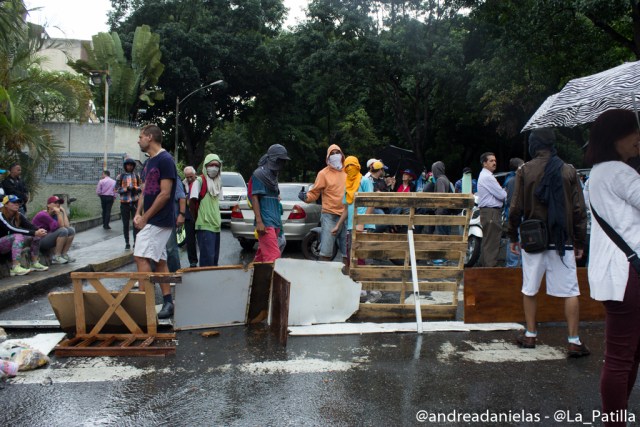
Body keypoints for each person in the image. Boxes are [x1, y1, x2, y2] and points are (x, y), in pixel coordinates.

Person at [507, 128, 589, 358]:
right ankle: (574, 341)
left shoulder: (525, 170)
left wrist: (513, 235)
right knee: (570, 290)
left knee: (530, 288)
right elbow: (578, 209)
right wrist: (580, 241)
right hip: (563, 240)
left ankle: (531, 334)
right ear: (553, 145)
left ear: (534, 145)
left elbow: (516, 207)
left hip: (533, 240)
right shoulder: (569, 170)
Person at [584, 109, 640, 423]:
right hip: (628, 272)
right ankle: (614, 419)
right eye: (634, 132)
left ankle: (616, 417)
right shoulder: (617, 172)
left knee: (627, 354)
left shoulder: (600, 172)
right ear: (616, 137)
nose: (638, 139)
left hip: (619, 272)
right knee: (621, 358)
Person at [134, 124, 178, 319]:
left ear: (150, 137)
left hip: (159, 220)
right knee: (160, 262)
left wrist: (145, 217)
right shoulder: (149, 162)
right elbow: (145, 191)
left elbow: (165, 194)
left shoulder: (165, 160)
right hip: (151, 218)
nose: (138, 140)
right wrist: (137, 213)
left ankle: (143, 304)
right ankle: (168, 303)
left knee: (141, 256)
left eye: (141, 136)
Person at [332, 157, 380, 301]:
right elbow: (347, 208)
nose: (349, 168)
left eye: (352, 165)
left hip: (363, 226)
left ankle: (373, 290)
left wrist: (363, 222)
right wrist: (338, 225)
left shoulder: (364, 181)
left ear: (358, 166)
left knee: (363, 258)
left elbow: (371, 201)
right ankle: (360, 288)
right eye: (347, 166)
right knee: (352, 258)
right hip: (351, 226)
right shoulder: (348, 184)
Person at [298, 144, 347, 262]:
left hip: (347, 215)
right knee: (326, 252)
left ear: (342, 155)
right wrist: (306, 197)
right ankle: (322, 276)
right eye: (332, 153)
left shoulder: (348, 171)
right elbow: (315, 192)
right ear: (328, 157)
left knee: (348, 253)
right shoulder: (323, 174)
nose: (335, 155)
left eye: (337, 152)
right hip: (329, 215)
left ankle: (348, 278)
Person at [250, 144, 290, 263]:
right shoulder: (259, 174)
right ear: (273, 159)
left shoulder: (273, 176)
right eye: (280, 160)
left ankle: (251, 277)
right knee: (273, 258)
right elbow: (255, 197)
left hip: (275, 221)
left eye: (283, 161)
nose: (282, 164)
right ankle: (272, 281)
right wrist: (259, 222)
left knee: (262, 257)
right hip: (266, 222)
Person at [0, 195, 48, 276]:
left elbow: (30, 226)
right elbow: (12, 228)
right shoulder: (1, 215)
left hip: (9, 242)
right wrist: (34, 232)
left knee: (36, 236)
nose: (17, 204)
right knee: (18, 235)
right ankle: (15, 267)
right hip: (1, 243)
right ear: (6, 204)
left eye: (18, 203)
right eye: (13, 202)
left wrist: (39, 231)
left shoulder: (18, 215)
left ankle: (34, 263)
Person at [189, 154, 223, 267]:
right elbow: (192, 202)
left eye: (216, 165)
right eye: (211, 165)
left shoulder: (218, 182)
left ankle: (211, 284)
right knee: (207, 260)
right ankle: (204, 283)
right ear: (205, 166)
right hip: (204, 225)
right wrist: (197, 219)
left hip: (216, 226)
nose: (214, 168)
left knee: (214, 260)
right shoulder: (199, 181)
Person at [477, 152, 506, 267]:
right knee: (492, 244)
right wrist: (504, 192)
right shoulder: (488, 177)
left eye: (495, 160)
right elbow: (502, 195)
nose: (494, 163)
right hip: (491, 212)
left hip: (488, 212)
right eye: (491, 161)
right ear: (484, 163)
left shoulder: (485, 175)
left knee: (487, 242)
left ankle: (484, 271)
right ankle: (489, 272)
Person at [31, 196, 75, 264]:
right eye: (55, 202)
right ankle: (56, 256)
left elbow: (67, 226)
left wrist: (63, 212)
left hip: (47, 237)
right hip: (39, 241)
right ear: (48, 205)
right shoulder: (43, 215)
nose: (58, 204)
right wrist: (58, 213)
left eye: (59, 203)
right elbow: (62, 227)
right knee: (63, 231)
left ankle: (64, 255)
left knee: (71, 230)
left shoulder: (54, 214)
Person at [115, 158, 142, 250]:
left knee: (136, 223)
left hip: (135, 202)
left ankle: (136, 242)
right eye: (128, 165)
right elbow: (116, 189)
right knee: (125, 224)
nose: (129, 167)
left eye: (131, 165)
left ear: (133, 166)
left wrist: (135, 188)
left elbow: (141, 187)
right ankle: (127, 242)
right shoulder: (120, 176)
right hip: (124, 203)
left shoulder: (137, 176)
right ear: (125, 166)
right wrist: (125, 189)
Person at [503, 158, 524, 268]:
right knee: (514, 241)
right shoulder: (513, 181)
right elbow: (512, 202)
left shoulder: (512, 179)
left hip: (515, 216)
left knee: (516, 240)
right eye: (522, 165)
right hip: (515, 217)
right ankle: (512, 267)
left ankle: (514, 265)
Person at [182, 166, 198, 267]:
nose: (189, 179)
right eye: (187, 177)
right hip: (188, 215)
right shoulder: (183, 184)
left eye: (191, 176)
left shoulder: (199, 182)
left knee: (201, 238)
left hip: (200, 213)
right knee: (190, 239)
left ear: (195, 175)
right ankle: (193, 261)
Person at [431, 161, 452, 236]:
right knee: (446, 234)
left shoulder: (440, 180)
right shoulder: (445, 179)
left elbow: (441, 197)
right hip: (446, 211)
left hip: (441, 212)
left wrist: (438, 212)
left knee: (441, 235)